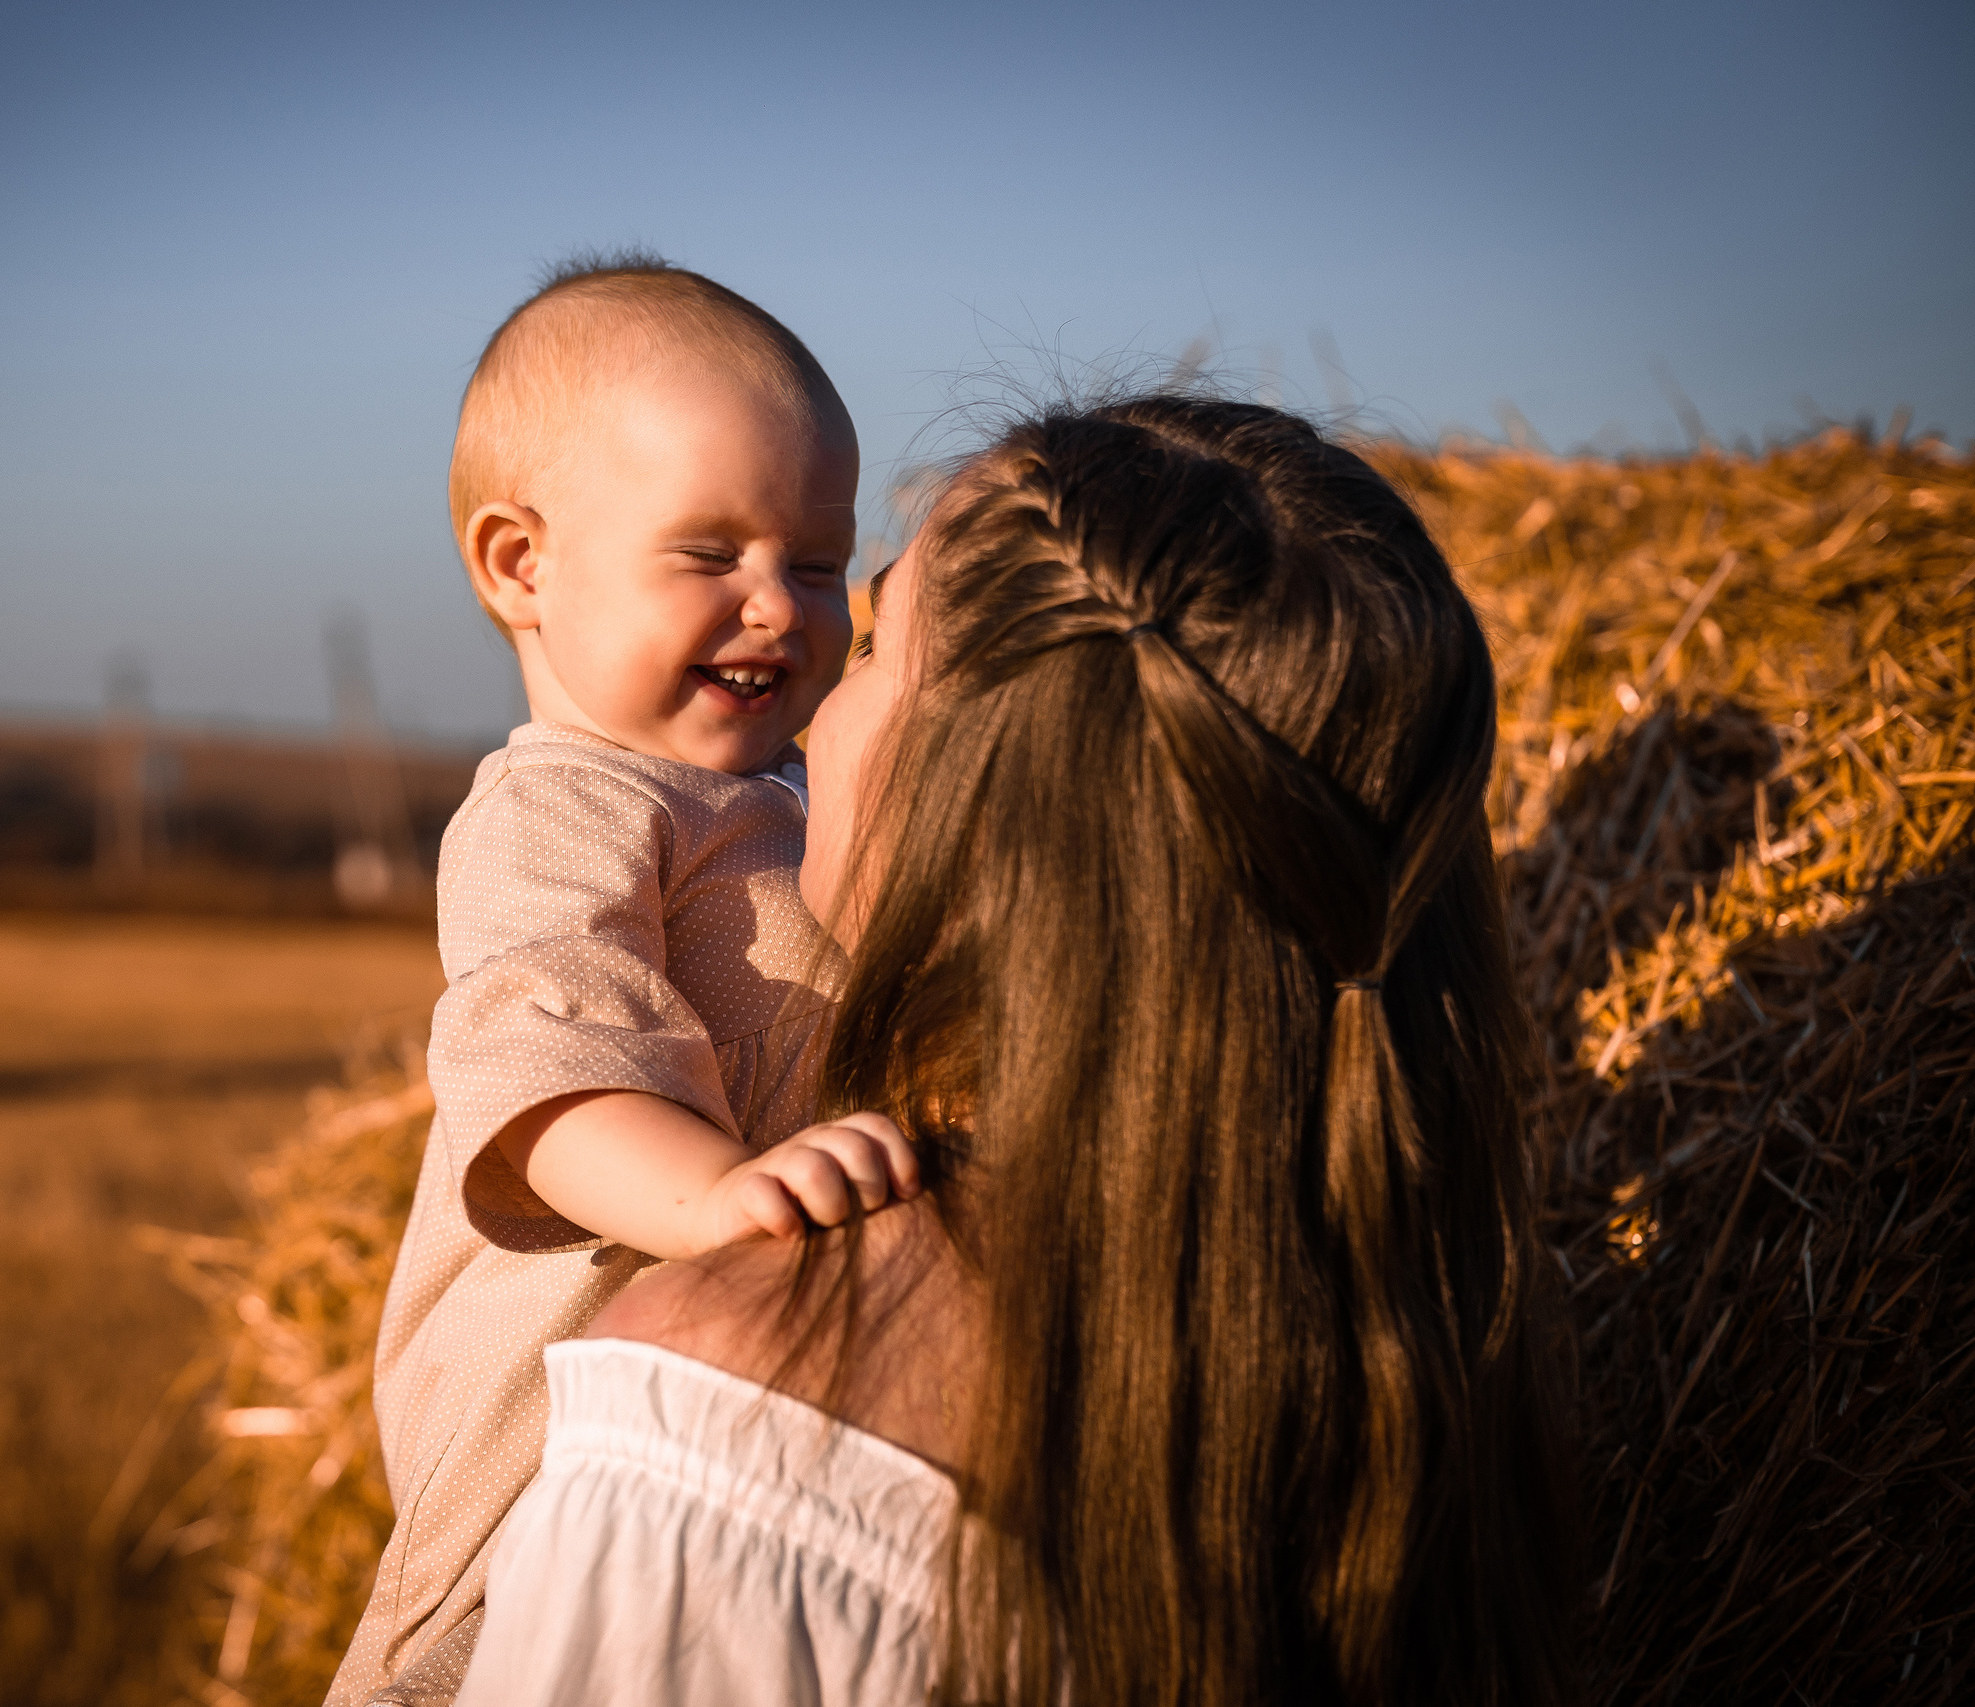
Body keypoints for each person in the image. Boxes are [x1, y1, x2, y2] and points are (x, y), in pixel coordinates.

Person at [457, 398, 1578, 1706]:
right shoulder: (1443, 1353)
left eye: (871, 645)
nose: (817, 704)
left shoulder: (720, 1427)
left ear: (987, 808)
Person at [327, 255, 921, 1706]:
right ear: (520, 565)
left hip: (722, 1413)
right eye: (712, 556)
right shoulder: (565, 810)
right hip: (537, 1460)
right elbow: (549, 1065)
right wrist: (713, 1203)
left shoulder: (783, 800)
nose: (779, 606)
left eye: (821, 562)